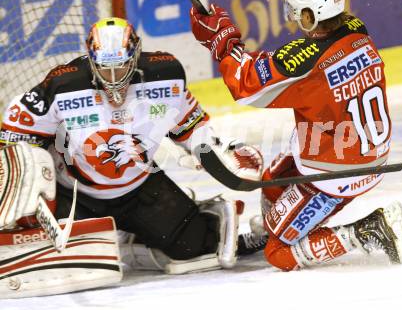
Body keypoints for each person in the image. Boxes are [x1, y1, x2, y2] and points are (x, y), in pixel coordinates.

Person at [0, 17, 263, 287]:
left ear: (135, 56)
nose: (114, 79)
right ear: (91, 61)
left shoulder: (165, 76)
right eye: (105, 68)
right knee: (60, 261)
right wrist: (25, 170)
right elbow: (16, 131)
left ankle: (139, 239)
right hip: (75, 193)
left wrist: (218, 150)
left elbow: (190, 126)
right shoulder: (64, 85)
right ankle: (121, 234)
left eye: (121, 66)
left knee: (195, 247)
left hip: (140, 187)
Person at [190, 0, 402, 270]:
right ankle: (278, 227)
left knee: (278, 254)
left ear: (309, 16)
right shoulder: (357, 31)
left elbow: (247, 85)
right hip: (355, 153)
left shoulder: (309, 63)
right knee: (271, 181)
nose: (294, 18)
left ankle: (364, 231)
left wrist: (223, 42)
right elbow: (293, 65)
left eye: (296, 11)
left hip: (334, 175)